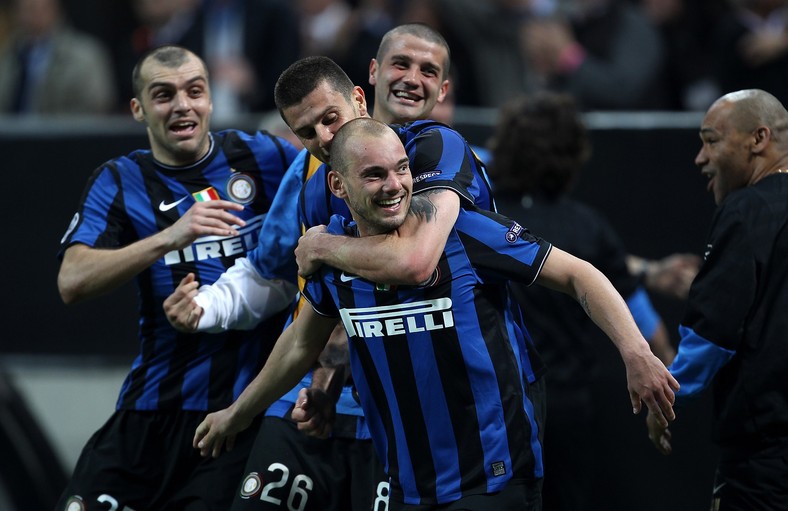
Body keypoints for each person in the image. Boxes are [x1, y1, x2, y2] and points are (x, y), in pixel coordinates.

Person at [192, 117, 679, 510]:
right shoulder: (331, 255)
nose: (395, 186)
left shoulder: (461, 231)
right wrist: (238, 414)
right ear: (338, 185)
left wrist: (636, 353)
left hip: (494, 475)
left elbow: (579, 275)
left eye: (401, 169)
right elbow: (301, 344)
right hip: (407, 484)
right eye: (375, 175)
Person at [55, 45, 299, 510]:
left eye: (194, 91)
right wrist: (169, 237)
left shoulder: (261, 155)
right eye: (163, 95)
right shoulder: (119, 180)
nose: (182, 105)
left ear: (210, 99)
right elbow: (72, 280)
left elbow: (326, 204)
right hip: (150, 408)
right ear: (139, 109)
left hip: (238, 414)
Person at [487, 91, 679, 511]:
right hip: (567, 409)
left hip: (497, 409)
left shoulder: (484, 219)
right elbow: (650, 333)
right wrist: (662, 407)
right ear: (571, 156)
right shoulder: (588, 227)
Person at [645, 89, 788, 510]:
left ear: (758, 139)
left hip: (766, 457)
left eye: (712, 140)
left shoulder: (746, 211)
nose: (700, 158)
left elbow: (715, 329)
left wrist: (666, 394)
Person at [0, 0, 116, 114]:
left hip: (68, 131)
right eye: (25, 7)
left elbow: (97, 107)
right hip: (13, 131)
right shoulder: (9, 55)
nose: (33, 13)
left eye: (37, 6)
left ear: (55, 7)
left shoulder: (86, 55)